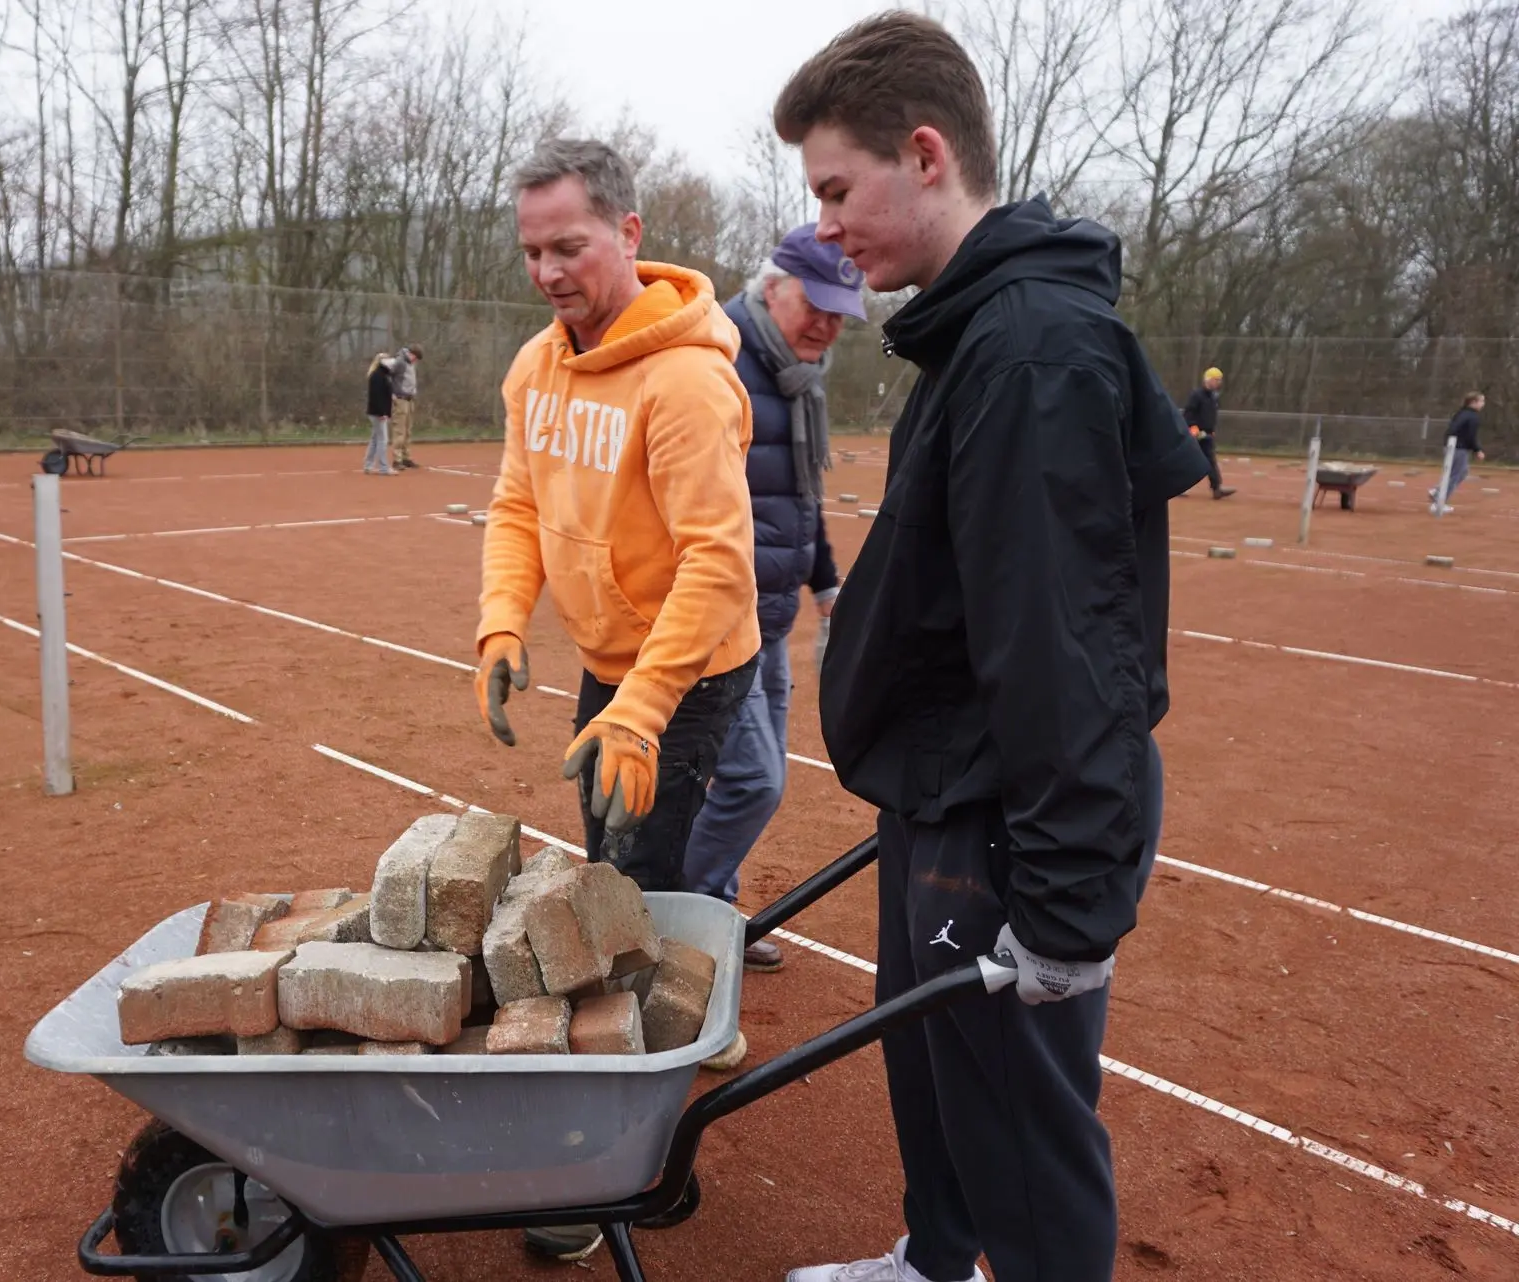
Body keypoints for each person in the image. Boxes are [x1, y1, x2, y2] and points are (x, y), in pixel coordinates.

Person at [773, 13, 1207, 1282]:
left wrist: (1066, 904)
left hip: (1006, 817)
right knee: (938, 1071)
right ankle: (936, 1259)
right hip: (944, 786)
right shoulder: (974, 331)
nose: (825, 226)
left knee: (1022, 1126)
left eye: (836, 190)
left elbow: (1067, 648)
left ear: (925, 154)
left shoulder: (1031, 352)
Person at [473, 138, 762, 1261]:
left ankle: (610, 1154)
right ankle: (688, 1017)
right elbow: (515, 505)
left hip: (688, 670)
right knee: (615, 861)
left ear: (629, 234)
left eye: (569, 246)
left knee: (633, 881)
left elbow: (718, 564)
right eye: (531, 251)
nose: (547, 271)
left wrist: (643, 707)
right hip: (612, 663)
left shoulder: (685, 380)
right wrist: (504, 621)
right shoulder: (534, 369)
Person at [681, 223, 862, 983]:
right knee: (755, 779)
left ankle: (712, 908)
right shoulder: (717, 359)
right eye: (816, 305)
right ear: (774, 286)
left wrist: (826, 581)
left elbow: (798, 494)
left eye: (840, 313)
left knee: (743, 775)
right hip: (721, 616)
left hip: (773, 612)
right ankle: (678, 920)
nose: (827, 324)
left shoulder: (797, 376)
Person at [1184, 366, 1236, 499]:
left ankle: (1216, 488)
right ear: (1208, 380)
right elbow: (1189, 413)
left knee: (1210, 460)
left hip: (1206, 435)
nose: (1219, 383)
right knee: (1187, 460)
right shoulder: (1196, 395)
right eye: (1216, 380)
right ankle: (1175, 487)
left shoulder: (1214, 397)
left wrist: (1211, 430)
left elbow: (1211, 416)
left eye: (1220, 380)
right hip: (1195, 434)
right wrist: (1193, 427)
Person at [1431, 392, 1487, 512]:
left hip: (1453, 446)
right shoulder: (1472, 416)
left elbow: (1453, 430)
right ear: (1473, 402)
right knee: (1456, 474)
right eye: (1481, 401)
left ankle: (1437, 491)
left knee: (1462, 472)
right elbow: (1470, 435)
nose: (1483, 404)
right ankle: (1439, 501)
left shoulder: (1461, 413)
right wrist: (1477, 450)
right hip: (1458, 448)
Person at [388, 344, 423, 469]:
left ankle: (406, 457)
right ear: (411, 354)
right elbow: (387, 376)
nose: (415, 361)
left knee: (408, 430)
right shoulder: (399, 362)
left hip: (409, 399)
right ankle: (397, 460)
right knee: (400, 430)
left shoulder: (411, 364)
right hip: (400, 399)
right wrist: (391, 393)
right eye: (415, 358)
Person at [363, 353, 396, 475]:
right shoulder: (377, 376)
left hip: (377, 412)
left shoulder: (384, 375)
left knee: (375, 439)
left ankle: (368, 465)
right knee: (383, 440)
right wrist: (382, 412)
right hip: (377, 413)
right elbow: (377, 397)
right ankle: (384, 467)